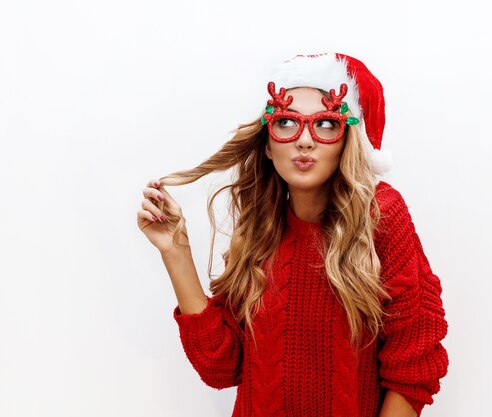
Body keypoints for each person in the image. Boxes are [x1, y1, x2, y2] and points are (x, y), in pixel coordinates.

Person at [137, 52, 449, 417]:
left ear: (348, 141)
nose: (304, 141)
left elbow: (413, 365)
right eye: (286, 122)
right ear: (268, 145)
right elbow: (221, 368)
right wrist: (175, 249)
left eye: (327, 124)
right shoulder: (258, 228)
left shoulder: (380, 215)